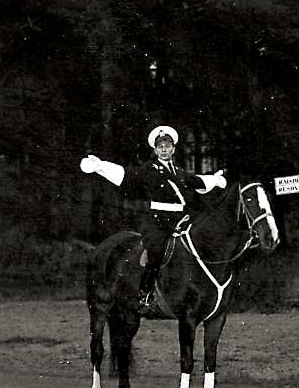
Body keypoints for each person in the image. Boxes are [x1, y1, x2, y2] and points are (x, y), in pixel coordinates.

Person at [81, 125, 227, 312]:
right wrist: (100, 166)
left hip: (180, 220)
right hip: (157, 223)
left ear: (173, 149)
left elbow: (197, 181)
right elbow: (125, 175)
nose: (164, 149)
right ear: (155, 150)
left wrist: (214, 180)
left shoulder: (178, 171)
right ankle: (146, 294)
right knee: (156, 252)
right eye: (160, 146)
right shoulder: (148, 170)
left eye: (167, 146)